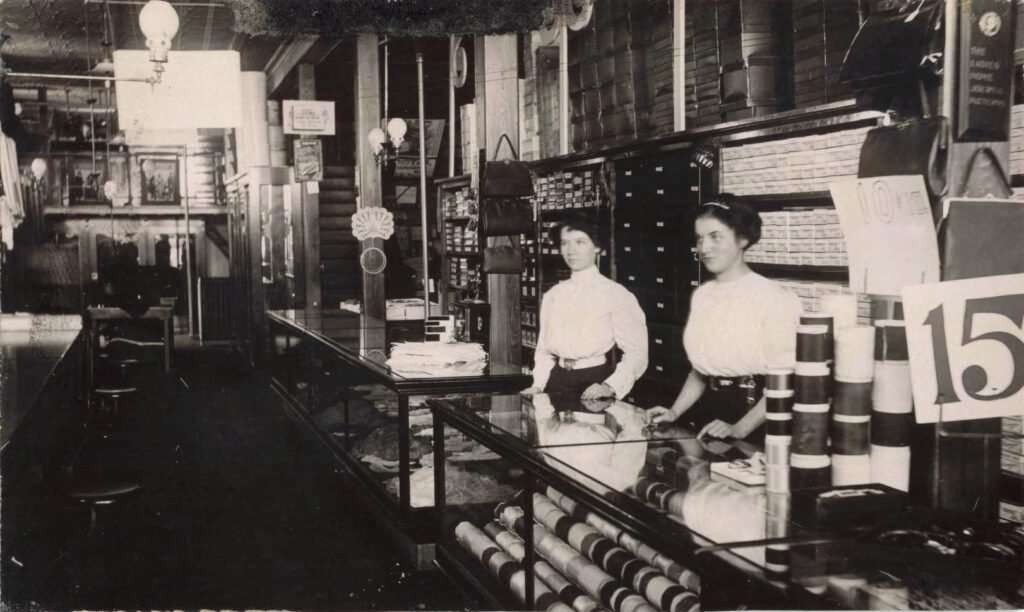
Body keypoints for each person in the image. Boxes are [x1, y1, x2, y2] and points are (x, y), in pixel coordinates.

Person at [647, 194, 801, 441]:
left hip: (756, 417)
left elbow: (785, 380)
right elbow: (701, 372)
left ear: (743, 239)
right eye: (699, 238)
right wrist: (674, 412)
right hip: (710, 414)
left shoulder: (773, 297)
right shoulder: (703, 295)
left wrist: (739, 429)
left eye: (715, 236)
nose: (704, 248)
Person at [524, 212, 648, 401]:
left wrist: (610, 386)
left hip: (595, 383)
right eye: (565, 243)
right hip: (556, 381)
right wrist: (538, 385)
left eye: (580, 242)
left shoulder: (616, 294)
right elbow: (543, 351)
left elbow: (637, 353)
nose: (570, 251)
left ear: (597, 246)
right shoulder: (553, 295)